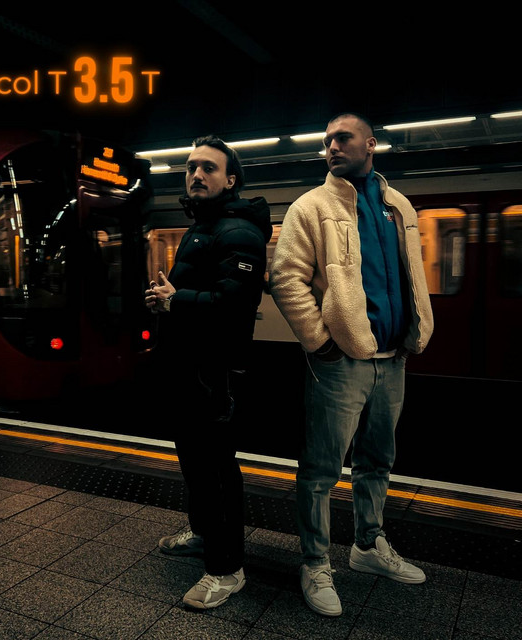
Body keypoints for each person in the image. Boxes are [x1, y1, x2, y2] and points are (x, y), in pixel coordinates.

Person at [269, 113, 434, 617]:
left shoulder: (397, 205)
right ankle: (316, 563)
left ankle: (367, 546)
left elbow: (409, 274)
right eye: (327, 141)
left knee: (377, 461)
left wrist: (413, 332)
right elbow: (286, 277)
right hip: (340, 363)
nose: (333, 147)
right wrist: (319, 343)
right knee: (322, 469)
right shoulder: (311, 206)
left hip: (393, 357)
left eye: (343, 138)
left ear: (371, 144)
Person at [144, 135, 272, 609]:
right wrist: (168, 302)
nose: (196, 174)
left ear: (230, 180)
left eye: (209, 168)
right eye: (191, 167)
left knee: (215, 469)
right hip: (188, 368)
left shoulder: (238, 231)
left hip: (213, 371)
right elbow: (198, 297)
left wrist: (177, 300)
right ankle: (203, 535)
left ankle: (227, 568)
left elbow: (236, 303)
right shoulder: (204, 226)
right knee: (194, 463)